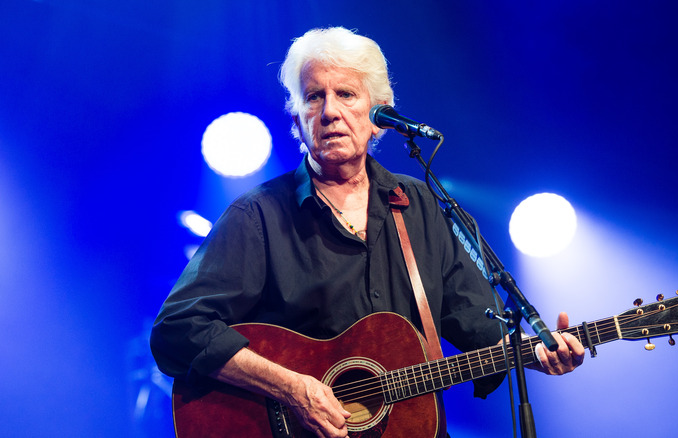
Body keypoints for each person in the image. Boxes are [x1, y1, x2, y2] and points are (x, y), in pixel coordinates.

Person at [150, 26, 585, 438]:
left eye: (346, 94)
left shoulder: (420, 204)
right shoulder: (258, 215)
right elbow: (177, 327)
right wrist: (290, 388)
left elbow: (477, 321)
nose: (330, 112)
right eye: (314, 97)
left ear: (378, 118)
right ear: (297, 121)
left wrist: (537, 350)